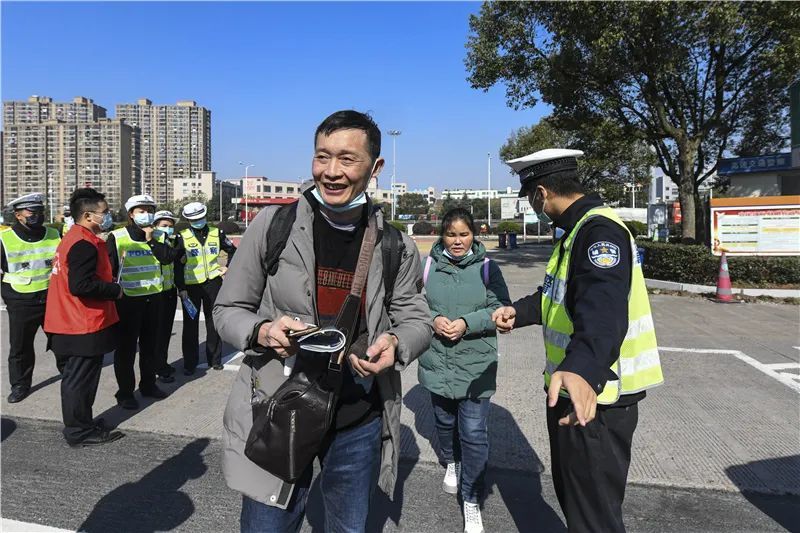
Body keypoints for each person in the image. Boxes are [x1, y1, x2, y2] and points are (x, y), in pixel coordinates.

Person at [213, 110, 432, 533]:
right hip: (279, 409)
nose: (331, 172)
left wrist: (398, 345)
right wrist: (261, 331)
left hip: (357, 420)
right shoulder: (273, 225)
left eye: (347, 160)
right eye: (322, 157)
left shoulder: (395, 244)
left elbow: (415, 317)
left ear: (376, 167)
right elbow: (227, 310)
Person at [492, 149, 664, 533]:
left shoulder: (598, 232)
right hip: (577, 390)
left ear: (541, 193)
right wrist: (518, 312)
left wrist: (582, 369)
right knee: (579, 505)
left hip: (595, 399)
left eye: (530, 200)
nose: (533, 208)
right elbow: (560, 295)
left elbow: (603, 307)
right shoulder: (577, 231)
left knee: (593, 518)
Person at [418, 207, 510, 533]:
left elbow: (500, 309)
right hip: (437, 361)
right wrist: (432, 320)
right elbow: (411, 304)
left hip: (476, 366)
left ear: (474, 234)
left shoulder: (487, 268)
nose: (457, 241)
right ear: (442, 235)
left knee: (473, 433)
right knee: (444, 422)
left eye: (464, 234)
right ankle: (451, 462)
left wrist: (467, 324)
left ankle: (471, 499)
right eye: (451, 234)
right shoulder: (427, 266)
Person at [44, 188, 125, 447]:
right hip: (79, 325)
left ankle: (84, 422)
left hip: (70, 322)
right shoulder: (83, 244)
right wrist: (115, 290)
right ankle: (78, 432)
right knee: (78, 382)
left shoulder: (74, 238)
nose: (109, 216)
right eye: (105, 212)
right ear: (89, 215)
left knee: (80, 380)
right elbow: (81, 285)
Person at [107, 195, 173, 409]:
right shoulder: (117, 237)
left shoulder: (160, 236)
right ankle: (125, 393)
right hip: (127, 301)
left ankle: (148, 385)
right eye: (141, 210)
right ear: (131, 214)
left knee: (150, 348)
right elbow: (110, 269)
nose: (146, 214)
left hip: (154, 298)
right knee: (125, 350)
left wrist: (151, 239)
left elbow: (166, 258)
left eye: (149, 209)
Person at [0, 193, 61, 403]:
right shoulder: (5, 238)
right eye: (31, 211)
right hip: (21, 300)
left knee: (62, 340)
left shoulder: (54, 233)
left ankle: (69, 372)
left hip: (51, 297)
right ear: (18, 215)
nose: (37, 215)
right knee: (20, 346)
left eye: (40, 211)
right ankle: (20, 385)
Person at [176, 202, 236, 374]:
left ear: (205, 216)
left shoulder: (217, 233)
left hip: (213, 283)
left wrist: (228, 268)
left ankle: (215, 359)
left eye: (200, 218)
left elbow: (232, 250)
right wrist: (181, 287)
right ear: (188, 220)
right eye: (193, 219)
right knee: (190, 325)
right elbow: (177, 265)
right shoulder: (182, 237)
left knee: (214, 322)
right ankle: (190, 363)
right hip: (191, 286)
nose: (197, 221)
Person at [152, 210, 185, 383]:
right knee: (155, 334)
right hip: (155, 293)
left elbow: (178, 266)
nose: (169, 229)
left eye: (171, 226)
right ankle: (157, 368)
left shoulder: (173, 241)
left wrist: (180, 287)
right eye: (164, 226)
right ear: (155, 226)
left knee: (165, 333)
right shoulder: (151, 242)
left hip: (169, 291)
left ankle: (162, 364)